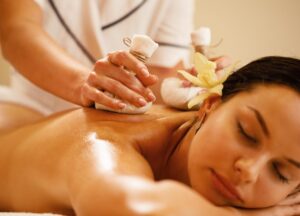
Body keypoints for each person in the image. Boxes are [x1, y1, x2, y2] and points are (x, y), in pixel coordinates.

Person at [0, 56, 299, 215]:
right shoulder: (103, 144)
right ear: (210, 106)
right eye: (247, 133)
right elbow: (132, 209)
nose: (248, 171)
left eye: (281, 172)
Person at [0, 0, 229, 115]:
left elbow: (158, 78)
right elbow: (16, 29)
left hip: (108, 124)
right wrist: (85, 85)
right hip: (30, 109)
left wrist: (187, 88)